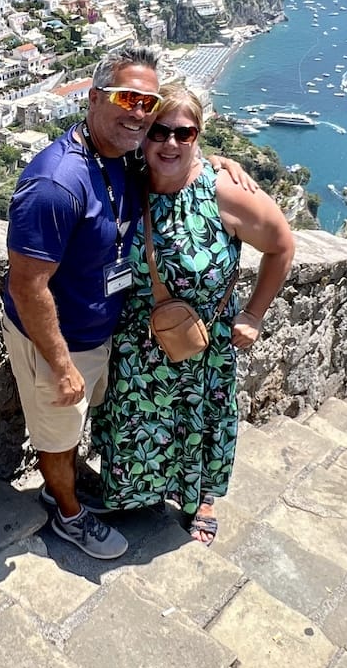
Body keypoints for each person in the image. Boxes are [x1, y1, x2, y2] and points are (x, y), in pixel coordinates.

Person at [2, 45, 254, 560]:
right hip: (59, 344)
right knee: (58, 436)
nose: (139, 112)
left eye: (148, 102)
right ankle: (68, 514)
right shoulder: (57, 182)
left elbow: (176, 154)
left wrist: (217, 162)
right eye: (126, 98)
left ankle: (65, 485)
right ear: (94, 99)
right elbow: (28, 285)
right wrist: (62, 364)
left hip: (98, 333)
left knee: (74, 429)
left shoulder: (119, 156)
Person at [91, 83, 295, 545]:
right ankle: (133, 491)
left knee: (199, 420)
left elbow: (282, 246)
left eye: (184, 134)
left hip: (201, 345)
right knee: (135, 421)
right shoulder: (126, 178)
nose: (170, 143)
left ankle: (200, 496)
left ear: (198, 135)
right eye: (159, 131)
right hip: (136, 343)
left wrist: (255, 314)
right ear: (143, 132)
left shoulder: (223, 192)